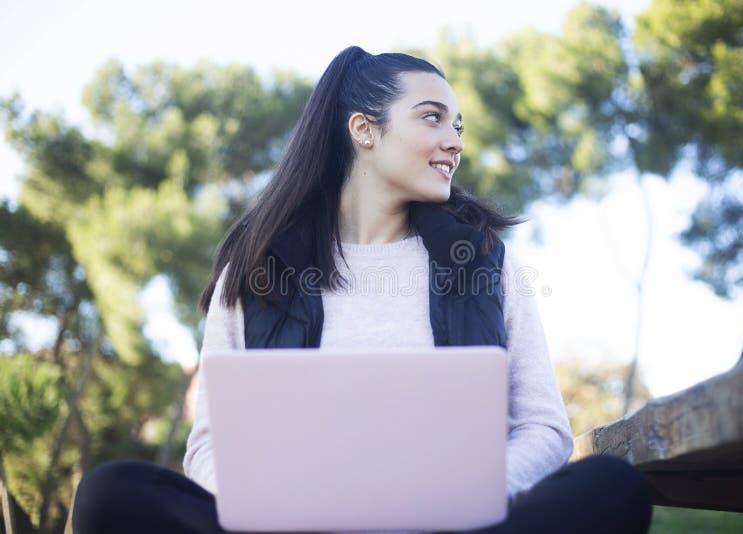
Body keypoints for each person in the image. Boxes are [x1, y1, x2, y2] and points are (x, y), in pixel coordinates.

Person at [71, 45, 653, 534]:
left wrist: (472, 498)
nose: (454, 141)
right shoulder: (255, 270)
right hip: (292, 526)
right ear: (364, 130)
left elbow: (543, 428)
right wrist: (268, 511)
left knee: (611, 486)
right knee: (110, 492)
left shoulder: (485, 263)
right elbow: (208, 448)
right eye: (432, 117)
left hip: (454, 524)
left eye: (458, 126)